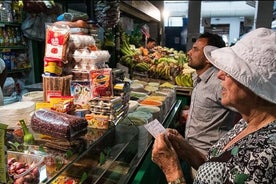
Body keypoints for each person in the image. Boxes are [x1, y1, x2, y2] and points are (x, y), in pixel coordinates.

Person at [151, 27, 276, 183]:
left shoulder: (263, 155)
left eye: (231, 72)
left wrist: (172, 171)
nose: (219, 74)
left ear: (255, 84)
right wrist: (185, 148)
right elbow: (212, 167)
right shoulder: (245, 124)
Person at [185, 32, 239, 156]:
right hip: (191, 149)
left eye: (195, 49)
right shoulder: (198, 78)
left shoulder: (219, 83)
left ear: (208, 59)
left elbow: (248, 113)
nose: (189, 52)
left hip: (207, 155)